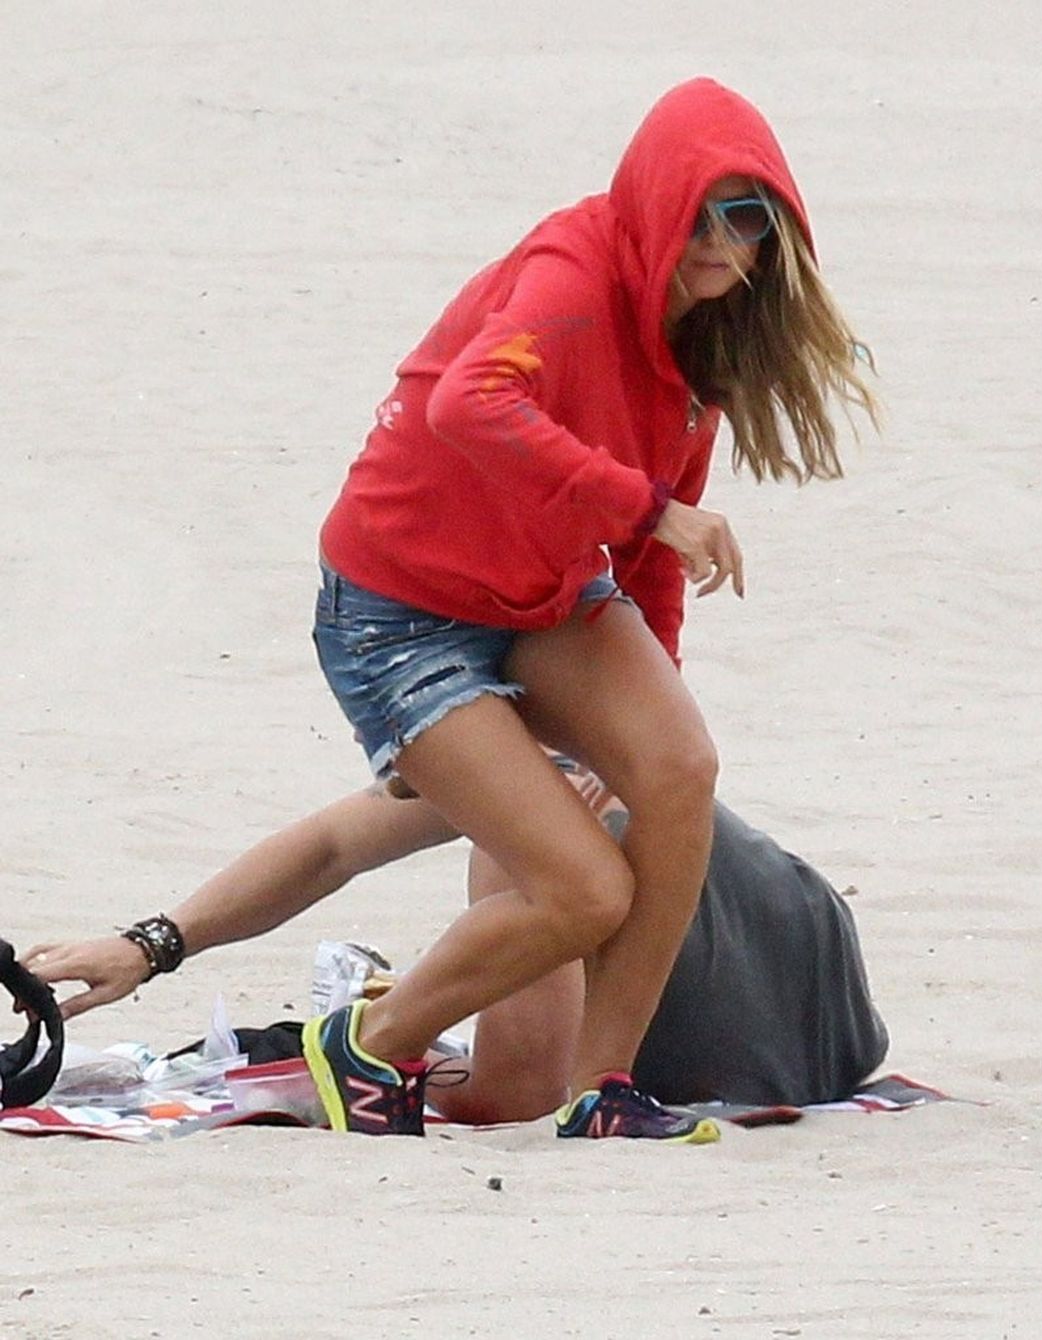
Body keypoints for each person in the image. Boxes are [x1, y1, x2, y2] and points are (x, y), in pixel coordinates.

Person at [45, 77, 879, 1142]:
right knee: (577, 903)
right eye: (701, 209)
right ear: (653, 202)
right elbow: (474, 401)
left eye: (748, 216)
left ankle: (584, 1086)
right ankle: (383, 1043)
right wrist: (152, 941)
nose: (720, 239)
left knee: (648, 801)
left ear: (778, 235)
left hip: (543, 607)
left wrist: (632, 686)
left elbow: (342, 843)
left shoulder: (692, 360)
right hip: (407, 609)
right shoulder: (572, 274)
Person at [22, 765, 888, 1123]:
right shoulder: (585, 727)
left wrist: (406, 1056)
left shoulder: (525, 835)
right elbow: (333, 845)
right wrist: (151, 944)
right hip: (826, 997)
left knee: (533, 894)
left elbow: (518, 1092)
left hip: (731, 1064)